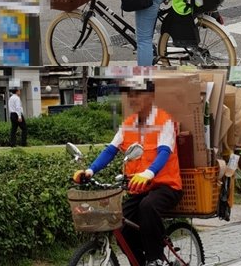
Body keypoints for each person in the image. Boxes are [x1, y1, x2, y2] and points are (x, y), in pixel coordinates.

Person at [73, 78, 182, 266]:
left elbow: (164, 151)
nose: (133, 99)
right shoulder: (129, 124)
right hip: (138, 187)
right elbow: (110, 150)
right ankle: (139, 261)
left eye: (138, 94)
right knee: (120, 222)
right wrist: (90, 170)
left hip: (166, 186)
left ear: (150, 97)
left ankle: (154, 258)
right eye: (130, 95)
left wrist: (149, 172)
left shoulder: (164, 121)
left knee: (147, 207)